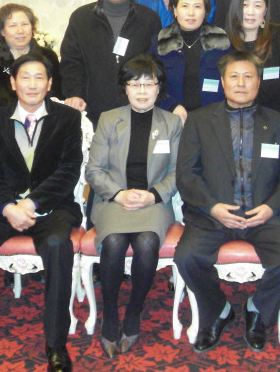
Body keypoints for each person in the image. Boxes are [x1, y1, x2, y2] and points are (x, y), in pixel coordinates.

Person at [0, 53, 82, 372]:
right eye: (25, 77)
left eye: (39, 77)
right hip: (3, 207)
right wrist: (8, 206)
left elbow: (68, 171)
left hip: (51, 207)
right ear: (12, 82)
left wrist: (30, 204)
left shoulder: (67, 118)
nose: (32, 84)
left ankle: (56, 343)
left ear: (50, 83)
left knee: (57, 245)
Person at [174, 50, 280, 353]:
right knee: (187, 258)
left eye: (248, 76)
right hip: (213, 215)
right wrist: (213, 207)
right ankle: (218, 310)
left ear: (259, 82)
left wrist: (271, 207)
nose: (241, 83)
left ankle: (257, 310)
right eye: (234, 76)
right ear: (222, 82)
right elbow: (187, 175)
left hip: (265, 215)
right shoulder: (199, 121)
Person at [85, 54, 181, 358]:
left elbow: (177, 172)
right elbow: (94, 170)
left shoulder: (171, 123)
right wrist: (119, 194)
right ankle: (111, 313)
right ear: (125, 88)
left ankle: (134, 311)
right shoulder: (109, 119)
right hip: (113, 199)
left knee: (147, 241)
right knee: (113, 242)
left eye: (149, 84)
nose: (142, 91)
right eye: (134, 84)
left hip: (154, 202)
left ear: (159, 88)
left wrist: (153, 195)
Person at [60, 0, 162, 127]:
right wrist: (74, 94)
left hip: (138, 110)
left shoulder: (149, 19)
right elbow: (71, 63)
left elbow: (156, 65)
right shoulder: (81, 18)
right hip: (91, 111)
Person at [153, 0, 230, 123]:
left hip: (214, 120)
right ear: (175, 10)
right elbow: (150, 83)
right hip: (171, 118)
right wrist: (171, 106)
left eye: (197, 6)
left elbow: (232, 81)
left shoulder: (222, 41)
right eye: (185, 6)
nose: (191, 13)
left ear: (205, 11)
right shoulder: (160, 42)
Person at [226, 0, 280, 115]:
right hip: (234, 115)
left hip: (275, 115)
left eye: (257, 6)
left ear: (265, 10)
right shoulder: (224, 42)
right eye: (244, 5)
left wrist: (244, 94)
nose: (250, 12)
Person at [0, 3, 61, 110]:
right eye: (13, 26)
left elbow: (58, 94)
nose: (20, 31)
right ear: (2, 31)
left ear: (32, 27)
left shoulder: (48, 57)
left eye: (25, 24)